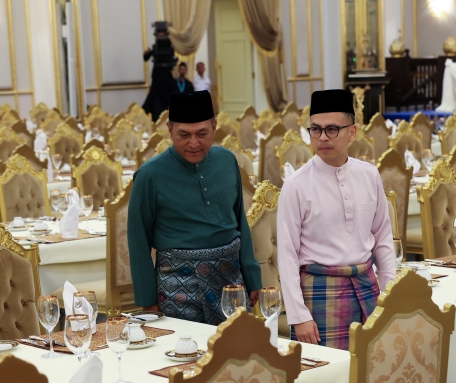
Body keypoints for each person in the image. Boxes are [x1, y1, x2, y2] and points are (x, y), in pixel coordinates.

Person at [128, 90, 262, 325]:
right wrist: (148, 302)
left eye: (202, 133)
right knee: (186, 357)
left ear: (214, 126)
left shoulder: (227, 161)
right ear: (170, 130)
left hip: (232, 282)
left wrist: (252, 276)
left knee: (238, 353)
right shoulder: (150, 175)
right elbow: (138, 241)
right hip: (178, 290)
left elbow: (240, 219)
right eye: (184, 135)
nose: (193, 143)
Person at [276, 89, 396, 350]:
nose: (322, 138)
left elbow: (382, 237)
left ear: (352, 132)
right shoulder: (296, 185)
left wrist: (389, 292)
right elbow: (286, 255)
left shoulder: (369, 175)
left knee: (372, 369)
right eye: (315, 130)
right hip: (321, 291)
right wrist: (298, 316)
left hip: (367, 287)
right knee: (327, 376)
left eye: (332, 129)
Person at [142, 22, 177, 119]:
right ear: (156, 36)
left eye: (163, 35)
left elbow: (172, 58)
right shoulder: (154, 48)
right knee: (155, 101)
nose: (161, 38)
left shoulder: (170, 47)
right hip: (157, 77)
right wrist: (146, 53)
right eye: (159, 35)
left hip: (167, 78)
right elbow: (145, 58)